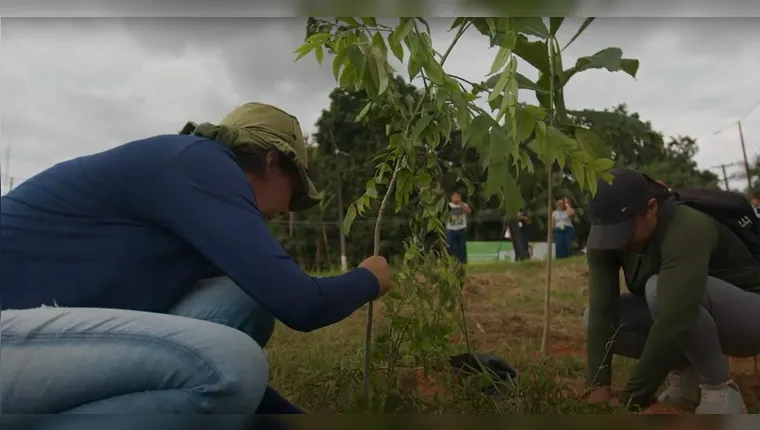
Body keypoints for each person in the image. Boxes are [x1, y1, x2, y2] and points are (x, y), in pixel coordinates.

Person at [0, 102, 393, 421]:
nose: (289, 210)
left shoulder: (191, 207)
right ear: (272, 162)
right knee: (233, 366)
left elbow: (218, 376)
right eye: (294, 192)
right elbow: (303, 303)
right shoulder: (200, 164)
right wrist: (368, 278)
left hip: (37, 349)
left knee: (242, 300)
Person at [582, 168, 760, 414]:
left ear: (652, 208)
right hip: (691, 314)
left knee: (659, 291)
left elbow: (675, 320)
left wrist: (632, 398)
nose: (617, 242)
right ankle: (687, 380)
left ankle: (719, 390)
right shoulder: (606, 236)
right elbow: (604, 312)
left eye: (625, 230)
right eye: (608, 233)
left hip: (750, 319)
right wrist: (598, 387)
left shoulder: (687, 225)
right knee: (590, 317)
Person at [446, 190, 471, 264]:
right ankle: (450, 261)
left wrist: (461, 203)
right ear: (451, 197)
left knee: (461, 246)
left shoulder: (464, 205)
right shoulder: (448, 205)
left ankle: (462, 262)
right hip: (451, 229)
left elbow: (468, 211)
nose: (457, 198)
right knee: (450, 246)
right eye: (455, 196)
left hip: (461, 229)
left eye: (458, 196)